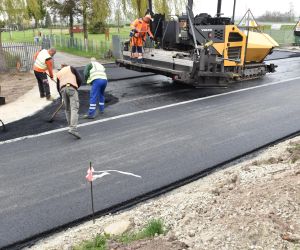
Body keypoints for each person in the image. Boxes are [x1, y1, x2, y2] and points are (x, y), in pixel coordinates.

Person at [56, 64, 83, 139]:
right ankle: (73, 129)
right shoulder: (71, 68)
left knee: (67, 110)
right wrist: (76, 87)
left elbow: (57, 87)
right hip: (71, 88)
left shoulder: (59, 73)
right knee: (74, 108)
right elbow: (80, 79)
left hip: (62, 90)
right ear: (66, 66)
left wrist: (62, 97)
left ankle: (70, 126)